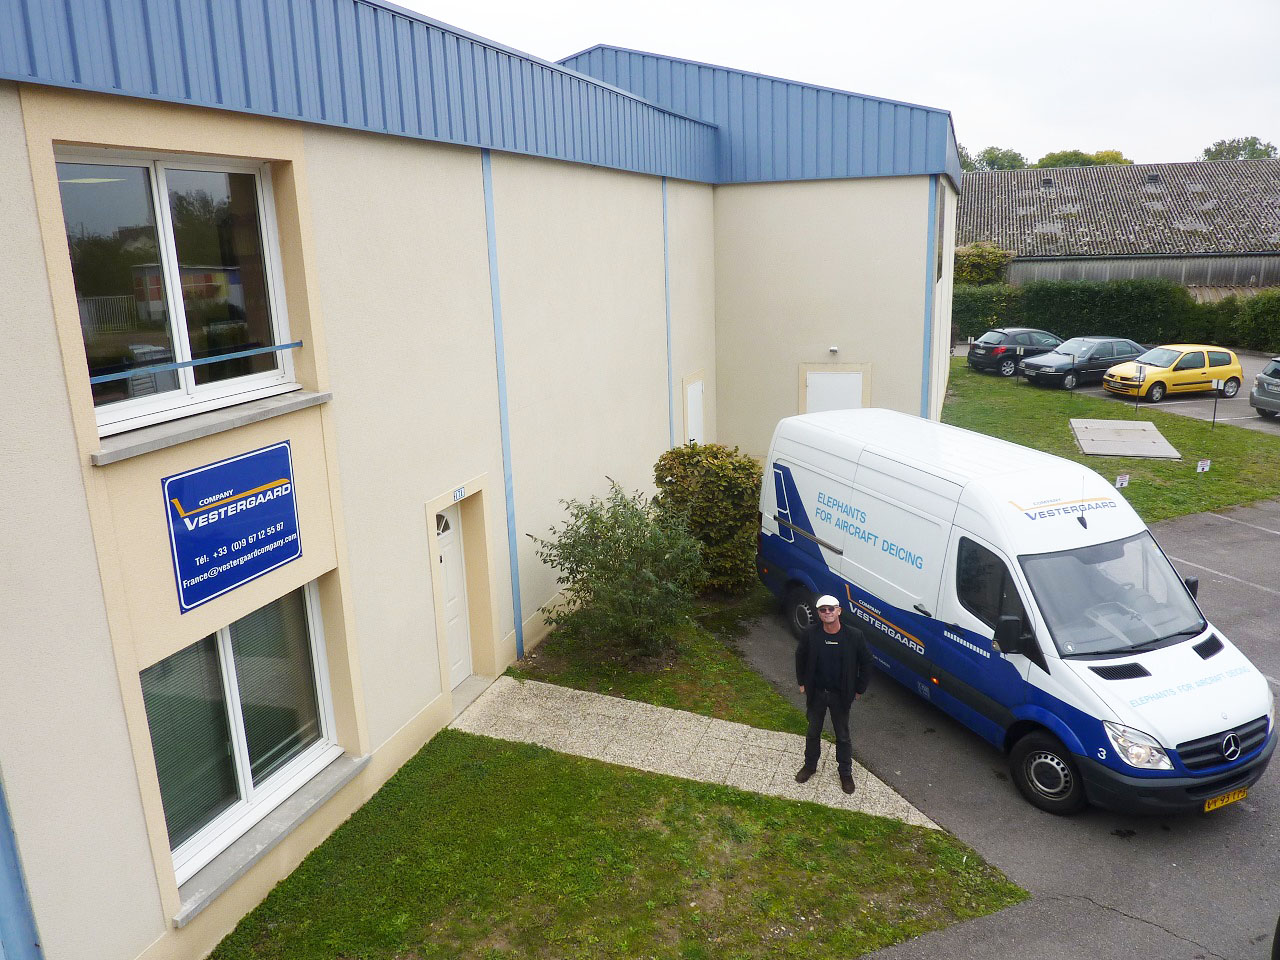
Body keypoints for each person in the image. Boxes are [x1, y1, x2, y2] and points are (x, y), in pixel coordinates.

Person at [794, 594, 873, 794]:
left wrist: (859, 689)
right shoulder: (811, 634)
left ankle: (845, 773)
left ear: (839, 611)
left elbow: (867, 663)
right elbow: (800, 657)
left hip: (841, 696)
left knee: (843, 736)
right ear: (819, 614)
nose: (827, 612)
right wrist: (802, 682)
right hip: (817, 694)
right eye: (823, 610)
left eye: (831, 609)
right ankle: (810, 766)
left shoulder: (854, 636)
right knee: (813, 732)